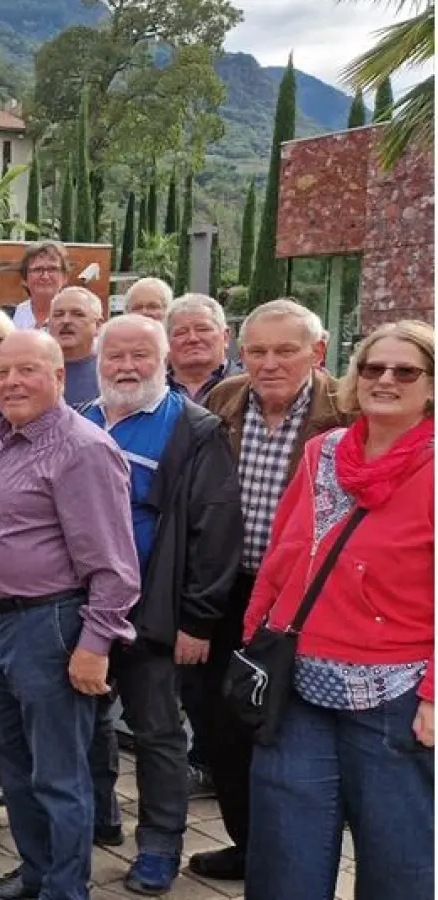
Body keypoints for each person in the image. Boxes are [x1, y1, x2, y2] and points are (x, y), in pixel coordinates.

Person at [244, 320, 435, 900]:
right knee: (284, 855)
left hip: (395, 694)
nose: (386, 379)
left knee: (398, 858)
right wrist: (256, 642)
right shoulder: (322, 452)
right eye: (374, 367)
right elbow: (285, 554)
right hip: (298, 684)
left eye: (405, 371)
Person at [0, 330, 139, 900]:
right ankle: (35, 874)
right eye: (2, 371)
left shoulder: (82, 449)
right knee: (13, 765)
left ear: (60, 377)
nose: (12, 381)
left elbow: (113, 564)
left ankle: (66, 888)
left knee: (59, 775)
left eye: (28, 370)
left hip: (53, 628)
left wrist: (95, 645)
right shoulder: (3, 435)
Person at [78, 315, 243, 895]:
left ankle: (160, 847)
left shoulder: (193, 428)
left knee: (157, 734)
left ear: (164, 358)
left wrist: (198, 617)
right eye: (114, 356)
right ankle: (101, 815)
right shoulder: (84, 419)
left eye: (139, 356)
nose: (126, 367)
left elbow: (215, 527)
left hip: (153, 611)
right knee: (89, 719)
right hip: (84, 608)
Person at [189, 299, 351, 882]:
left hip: (304, 600)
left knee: (289, 732)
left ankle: (297, 859)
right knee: (223, 723)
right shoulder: (224, 401)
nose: (270, 363)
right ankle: (246, 843)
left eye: (286, 350)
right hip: (227, 590)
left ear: (318, 352)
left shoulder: (345, 411)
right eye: (257, 350)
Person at [167, 293, 236, 404]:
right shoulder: (152, 393)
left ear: (225, 337)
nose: (192, 339)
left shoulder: (249, 387)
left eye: (203, 329)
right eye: (181, 332)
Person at [50, 287, 105, 406]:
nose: (65, 321)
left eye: (78, 314)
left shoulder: (109, 371)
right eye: (58, 315)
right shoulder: (34, 369)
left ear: (98, 325)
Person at [11, 242, 68, 330]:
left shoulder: (76, 320)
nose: (45, 276)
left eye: (52, 269)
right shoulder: (9, 318)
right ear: (24, 278)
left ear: (64, 277)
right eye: (37, 269)